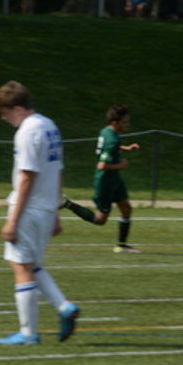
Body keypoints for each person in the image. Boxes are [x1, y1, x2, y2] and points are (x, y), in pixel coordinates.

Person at [0, 81, 80, 345]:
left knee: (20, 266)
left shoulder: (27, 131)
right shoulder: (50, 126)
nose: (4, 118)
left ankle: (28, 334)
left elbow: (27, 176)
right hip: (45, 208)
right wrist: (56, 211)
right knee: (32, 266)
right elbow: (58, 169)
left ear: (18, 108)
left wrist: (12, 220)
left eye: (6, 112)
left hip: (29, 209)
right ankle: (64, 307)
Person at [60, 103, 141, 254]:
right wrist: (121, 165)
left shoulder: (106, 131)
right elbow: (102, 165)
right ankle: (67, 203)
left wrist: (126, 148)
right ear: (115, 122)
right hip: (105, 181)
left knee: (126, 208)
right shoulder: (112, 140)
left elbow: (109, 148)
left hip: (115, 179)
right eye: (125, 122)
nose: (127, 124)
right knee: (100, 220)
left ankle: (121, 246)